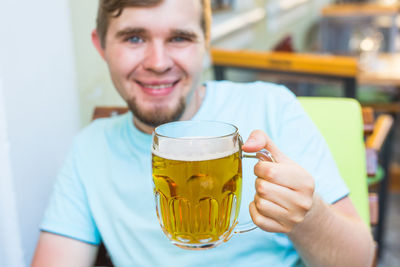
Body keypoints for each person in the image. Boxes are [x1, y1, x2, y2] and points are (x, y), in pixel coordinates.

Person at [32, 0, 374, 266]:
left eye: (179, 38)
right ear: (101, 45)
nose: (158, 62)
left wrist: (309, 216)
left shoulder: (271, 107)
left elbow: (360, 261)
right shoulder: (89, 148)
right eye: (134, 37)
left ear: (206, 43)